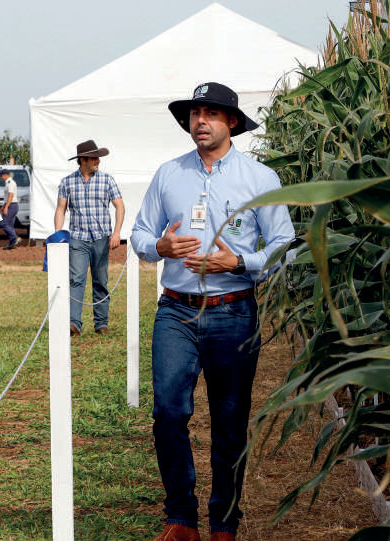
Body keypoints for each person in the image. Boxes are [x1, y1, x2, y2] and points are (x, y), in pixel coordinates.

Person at [130, 82, 295, 541]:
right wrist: (159, 246)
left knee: (230, 421)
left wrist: (239, 261)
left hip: (233, 312)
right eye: (194, 113)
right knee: (168, 412)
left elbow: (284, 244)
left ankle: (224, 523)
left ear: (232, 122)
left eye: (211, 113)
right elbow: (140, 234)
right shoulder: (169, 174)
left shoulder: (259, 178)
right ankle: (181, 518)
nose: (200, 121)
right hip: (176, 311)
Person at [53, 139, 125, 336]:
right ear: (83, 160)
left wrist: (117, 232)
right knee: (76, 279)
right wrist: (58, 235)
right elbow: (60, 209)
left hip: (102, 238)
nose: (98, 161)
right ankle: (73, 324)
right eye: (94, 158)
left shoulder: (107, 180)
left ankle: (101, 324)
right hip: (78, 238)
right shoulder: (67, 182)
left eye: (98, 158)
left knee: (100, 280)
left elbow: (120, 206)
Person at [0, 168, 19, 250]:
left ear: (5, 175)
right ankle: (12, 244)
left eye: (1, 176)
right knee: (10, 225)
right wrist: (3, 206)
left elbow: (11, 196)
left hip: (12, 205)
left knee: (3, 224)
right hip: (11, 205)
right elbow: (7, 197)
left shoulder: (10, 183)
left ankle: (15, 237)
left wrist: (6, 207)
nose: (1, 178)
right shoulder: (8, 183)